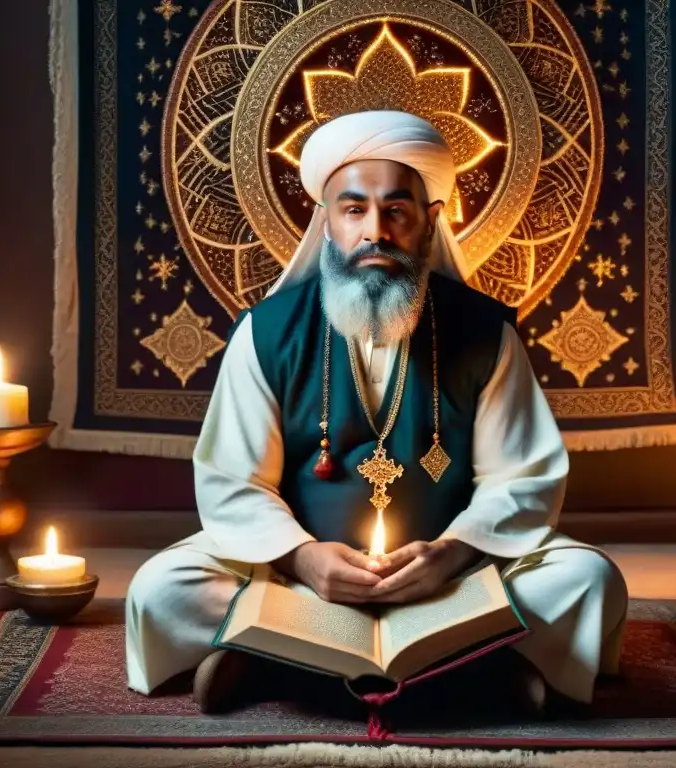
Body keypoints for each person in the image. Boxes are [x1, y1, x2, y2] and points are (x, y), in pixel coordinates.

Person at [125, 110, 628, 715]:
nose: (375, 231)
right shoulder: (267, 333)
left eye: (396, 210)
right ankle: (479, 670)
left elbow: (520, 477)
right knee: (161, 590)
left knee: (588, 580)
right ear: (327, 222)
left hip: (448, 585)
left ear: (429, 222)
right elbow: (234, 481)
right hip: (301, 584)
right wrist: (303, 558)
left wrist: (452, 554)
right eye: (354, 208)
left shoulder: (484, 332)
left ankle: (274, 665)